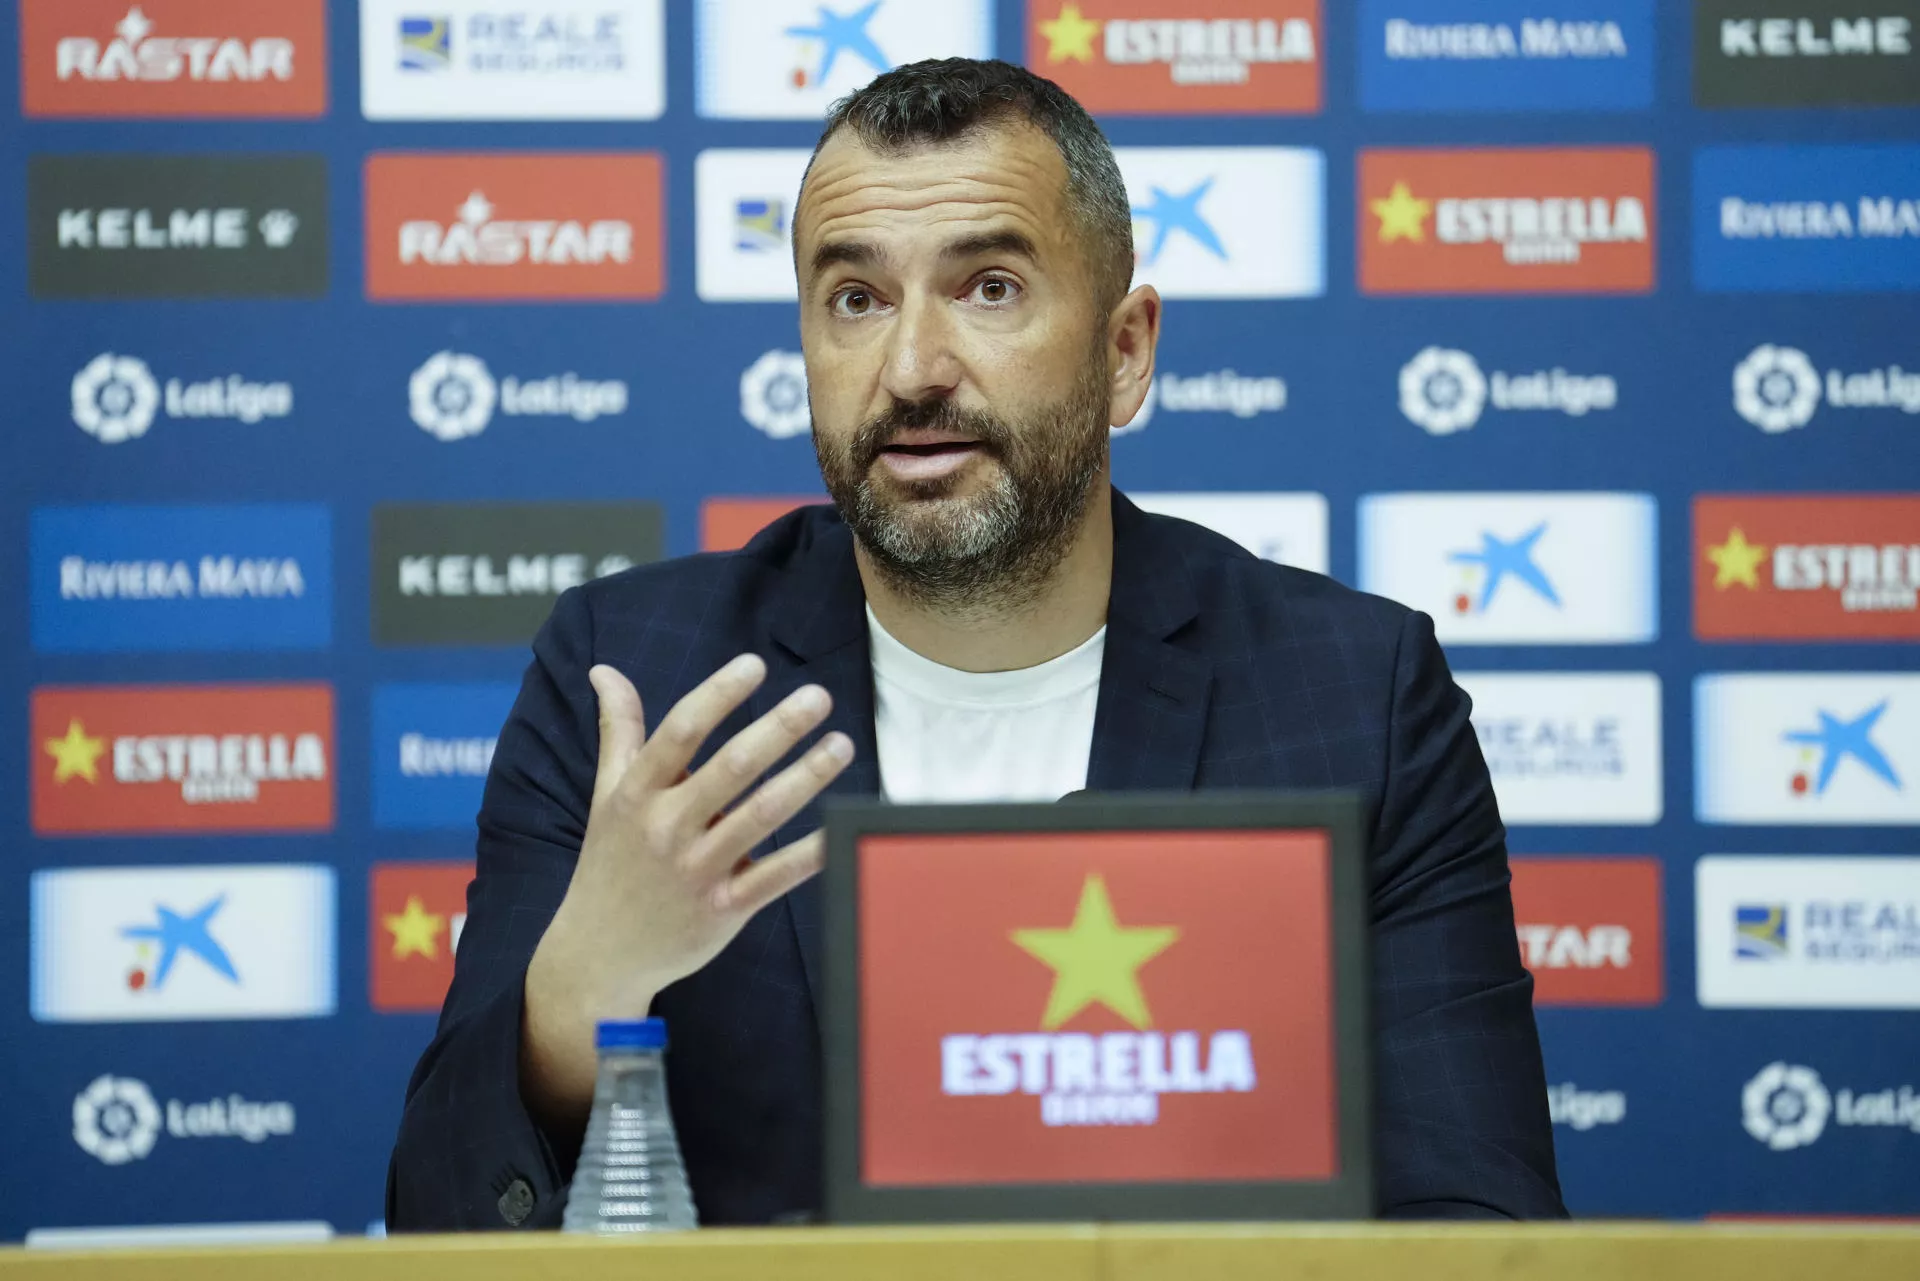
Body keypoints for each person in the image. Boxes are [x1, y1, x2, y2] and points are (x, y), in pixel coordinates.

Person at [387, 57, 1566, 1229]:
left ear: (1125, 353)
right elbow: (439, 1215)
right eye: (856, 299)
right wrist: (585, 985)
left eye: (990, 288)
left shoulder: (1352, 694)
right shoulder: (639, 678)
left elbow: (1478, 1216)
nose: (911, 371)